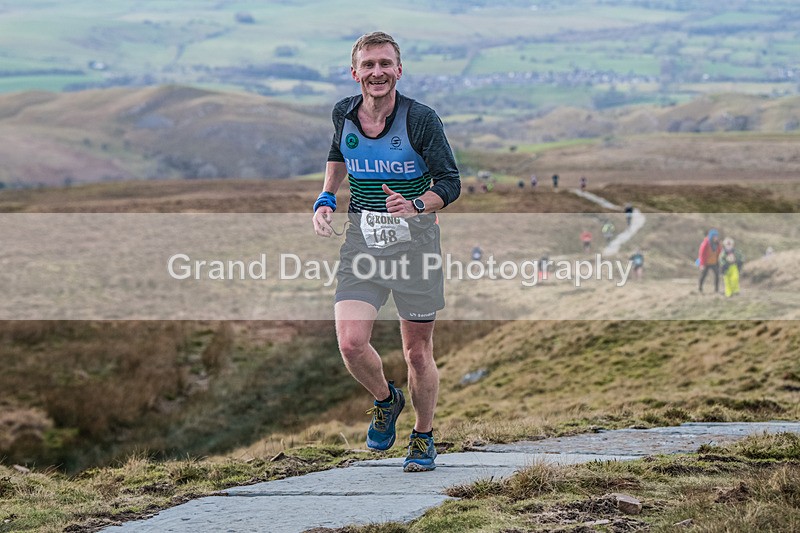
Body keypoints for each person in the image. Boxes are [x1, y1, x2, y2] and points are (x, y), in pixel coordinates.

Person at [312, 32, 460, 473]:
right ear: (354, 72)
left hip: (416, 247)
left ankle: (424, 435)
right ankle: (385, 399)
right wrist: (325, 197)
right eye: (369, 65)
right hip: (362, 242)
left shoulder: (421, 120)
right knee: (352, 343)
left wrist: (415, 205)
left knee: (417, 353)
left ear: (399, 69)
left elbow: (449, 183)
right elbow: (339, 153)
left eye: (385, 64)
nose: (377, 72)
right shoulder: (344, 112)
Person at [697, 228, 721, 293]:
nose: (716, 238)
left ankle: (716, 289)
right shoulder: (705, 243)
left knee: (717, 275)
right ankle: (700, 288)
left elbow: (719, 252)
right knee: (703, 275)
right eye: (715, 236)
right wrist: (701, 264)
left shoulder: (718, 244)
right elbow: (701, 254)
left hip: (714, 262)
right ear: (711, 236)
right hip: (706, 263)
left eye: (717, 236)